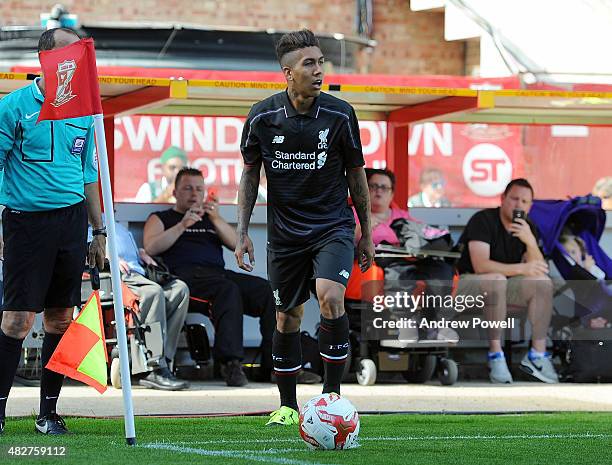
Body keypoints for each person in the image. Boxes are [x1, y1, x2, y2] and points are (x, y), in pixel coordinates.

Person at [235, 29, 374, 426]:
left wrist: (365, 231)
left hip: (332, 227)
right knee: (287, 317)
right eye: (309, 64)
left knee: (330, 297)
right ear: (287, 72)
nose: (318, 71)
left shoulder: (340, 113)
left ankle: (332, 399)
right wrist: (242, 231)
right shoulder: (262, 116)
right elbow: (249, 175)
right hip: (285, 236)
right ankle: (287, 406)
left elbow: (356, 175)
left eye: (321, 62)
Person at [0, 28, 106, 435]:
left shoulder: (84, 111)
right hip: (25, 222)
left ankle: (48, 412)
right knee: (16, 320)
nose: (76, 60)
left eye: (80, 53)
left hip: (71, 222)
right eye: (68, 52)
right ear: (43, 56)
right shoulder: (13, 106)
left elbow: (89, 175)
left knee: (60, 318)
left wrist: (100, 232)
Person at [143, 167, 278, 387]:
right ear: (175, 192)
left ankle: (272, 366)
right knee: (227, 291)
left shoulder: (211, 219)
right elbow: (151, 247)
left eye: (199, 189)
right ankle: (231, 364)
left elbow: (238, 244)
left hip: (218, 275)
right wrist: (183, 224)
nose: (194, 194)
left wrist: (215, 218)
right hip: (185, 279)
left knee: (267, 292)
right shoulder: (161, 217)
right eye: (187, 188)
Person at [456, 178, 558, 384]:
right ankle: (496, 355)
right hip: (468, 283)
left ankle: (537, 356)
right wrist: (522, 268)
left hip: (504, 284)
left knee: (542, 282)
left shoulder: (528, 228)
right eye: (514, 199)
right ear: (503, 199)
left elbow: (538, 269)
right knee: (496, 279)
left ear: (530, 206)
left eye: (525, 201)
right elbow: (480, 266)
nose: (519, 205)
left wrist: (529, 241)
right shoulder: (483, 220)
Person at [355, 168, 456, 341]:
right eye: (373, 186)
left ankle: (435, 324)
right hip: (381, 260)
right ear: (364, 189)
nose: (379, 190)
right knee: (400, 271)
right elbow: (351, 242)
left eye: (384, 187)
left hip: (413, 257)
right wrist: (364, 227)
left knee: (442, 270)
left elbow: (423, 235)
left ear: (392, 193)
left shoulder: (402, 216)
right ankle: (406, 323)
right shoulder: (355, 215)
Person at [115, 222, 189, 390]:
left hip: (141, 274)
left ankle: (165, 361)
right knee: (153, 292)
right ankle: (154, 365)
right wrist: (107, 256)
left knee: (179, 290)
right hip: (119, 277)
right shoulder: (86, 225)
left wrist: (141, 252)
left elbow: (131, 255)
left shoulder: (119, 227)